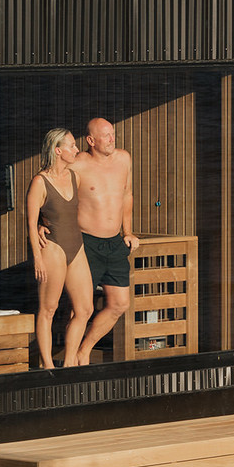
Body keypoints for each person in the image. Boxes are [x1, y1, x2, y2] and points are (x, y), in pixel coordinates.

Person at [69, 116, 138, 366]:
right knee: (81, 308)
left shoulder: (124, 159)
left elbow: (127, 194)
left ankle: (83, 351)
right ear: (90, 141)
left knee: (120, 304)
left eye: (113, 134)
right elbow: (49, 190)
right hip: (86, 243)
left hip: (114, 243)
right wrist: (44, 226)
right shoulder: (77, 164)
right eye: (106, 135)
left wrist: (127, 232)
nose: (112, 139)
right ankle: (68, 360)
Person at [25, 127, 91, 373]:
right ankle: (48, 367)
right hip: (53, 249)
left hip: (77, 246)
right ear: (57, 150)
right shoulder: (40, 182)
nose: (76, 149)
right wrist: (37, 259)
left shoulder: (76, 176)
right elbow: (32, 224)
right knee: (48, 309)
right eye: (72, 145)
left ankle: (70, 361)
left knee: (85, 309)